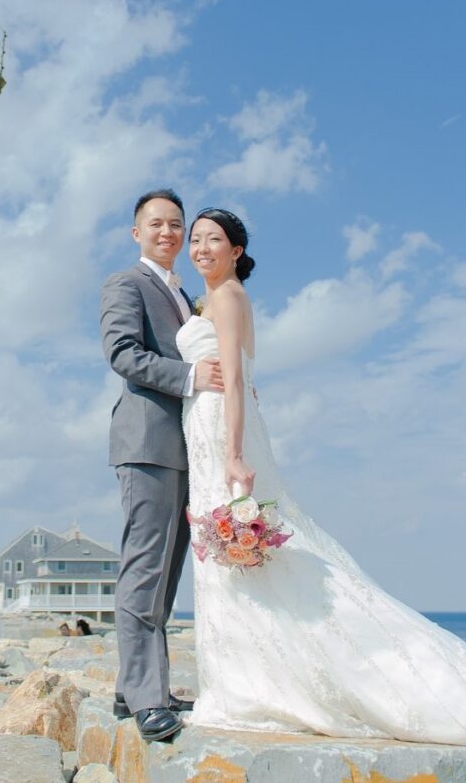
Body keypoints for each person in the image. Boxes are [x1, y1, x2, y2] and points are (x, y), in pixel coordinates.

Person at [179, 207, 466, 743]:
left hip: (223, 430)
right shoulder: (213, 299)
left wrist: (235, 453)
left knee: (246, 549)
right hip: (208, 426)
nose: (200, 248)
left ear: (236, 251)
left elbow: (237, 382)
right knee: (232, 556)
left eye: (212, 239)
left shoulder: (227, 297)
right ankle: (246, 677)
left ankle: (266, 681)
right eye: (195, 239)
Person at [100, 189, 223, 742]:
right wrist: (191, 378)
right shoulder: (126, 283)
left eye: (177, 224)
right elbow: (122, 352)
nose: (169, 233)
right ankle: (148, 700)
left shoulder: (182, 293)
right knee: (145, 568)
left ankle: (138, 687)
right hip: (146, 442)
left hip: (184, 446)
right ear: (137, 232)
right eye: (158, 224)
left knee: (168, 572)